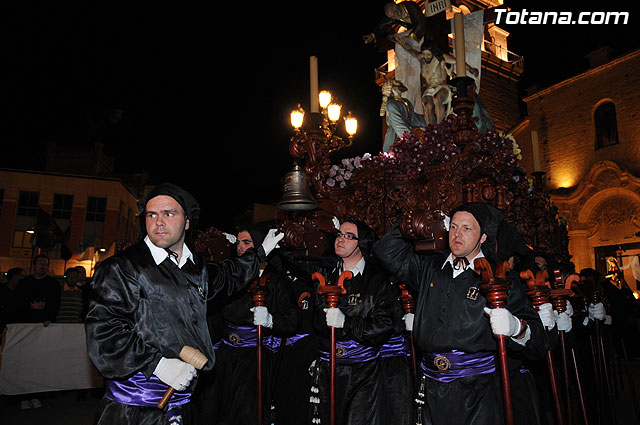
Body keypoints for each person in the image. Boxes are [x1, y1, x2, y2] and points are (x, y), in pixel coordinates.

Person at [85, 182, 283, 425]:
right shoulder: (122, 268)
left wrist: (259, 253)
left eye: (169, 213)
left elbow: (228, 275)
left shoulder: (194, 267)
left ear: (187, 221)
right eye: (151, 214)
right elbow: (105, 333)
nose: (158, 221)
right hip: (135, 410)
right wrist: (157, 365)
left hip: (183, 404)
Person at [373, 202, 548, 425]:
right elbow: (384, 252)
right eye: (454, 227)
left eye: (467, 229)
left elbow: (539, 343)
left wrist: (516, 328)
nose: (457, 234)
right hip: (430, 388)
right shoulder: (430, 268)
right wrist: (409, 223)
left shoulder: (500, 277)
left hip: (478, 392)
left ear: (483, 237)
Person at [282, 218, 396, 425]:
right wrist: (290, 235)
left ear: (361, 243)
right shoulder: (324, 272)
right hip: (328, 369)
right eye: (339, 234)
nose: (341, 239)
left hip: (363, 372)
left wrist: (347, 323)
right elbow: (289, 258)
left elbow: (384, 324)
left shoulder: (376, 279)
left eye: (349, 236)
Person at [203, 224, 300, 425]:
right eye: (238, 242)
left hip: (253, 358)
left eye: (246, 242)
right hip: (225, 355)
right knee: (216, 410)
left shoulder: (275, 281)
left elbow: (293, 320)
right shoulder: (232, 277)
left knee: (247, 414)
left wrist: (271, 320)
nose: (239, 247)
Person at [380, 78, 426, 152]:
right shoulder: (391, 104)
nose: (399, 84)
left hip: (411, 132)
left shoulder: (406, 101)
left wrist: (428, 120)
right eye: (396, 85)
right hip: (397, 136)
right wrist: (412, 139)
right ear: (392, 89)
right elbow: (398, 125)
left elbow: (413, 118)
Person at [15, 253, 61, 325]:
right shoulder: (24, 282)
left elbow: (56, 304)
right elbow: (17, 301)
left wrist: (50, 318)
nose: (42, 267)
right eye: (40, 264)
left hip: (46, 322)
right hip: (26, 322)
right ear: (34, 266)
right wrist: (30, 306)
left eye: (45, 264)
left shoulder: (54, 284)